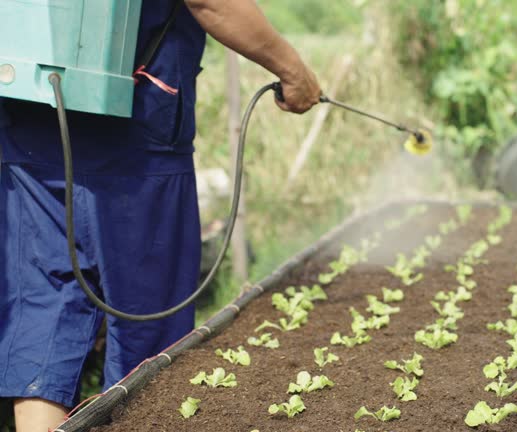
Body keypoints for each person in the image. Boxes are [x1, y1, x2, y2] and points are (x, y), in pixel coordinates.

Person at [0, 1, 321, 430]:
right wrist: (293, 69)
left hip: (30, 109)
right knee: (146, 330)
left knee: (44, 314)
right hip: (132, 130)